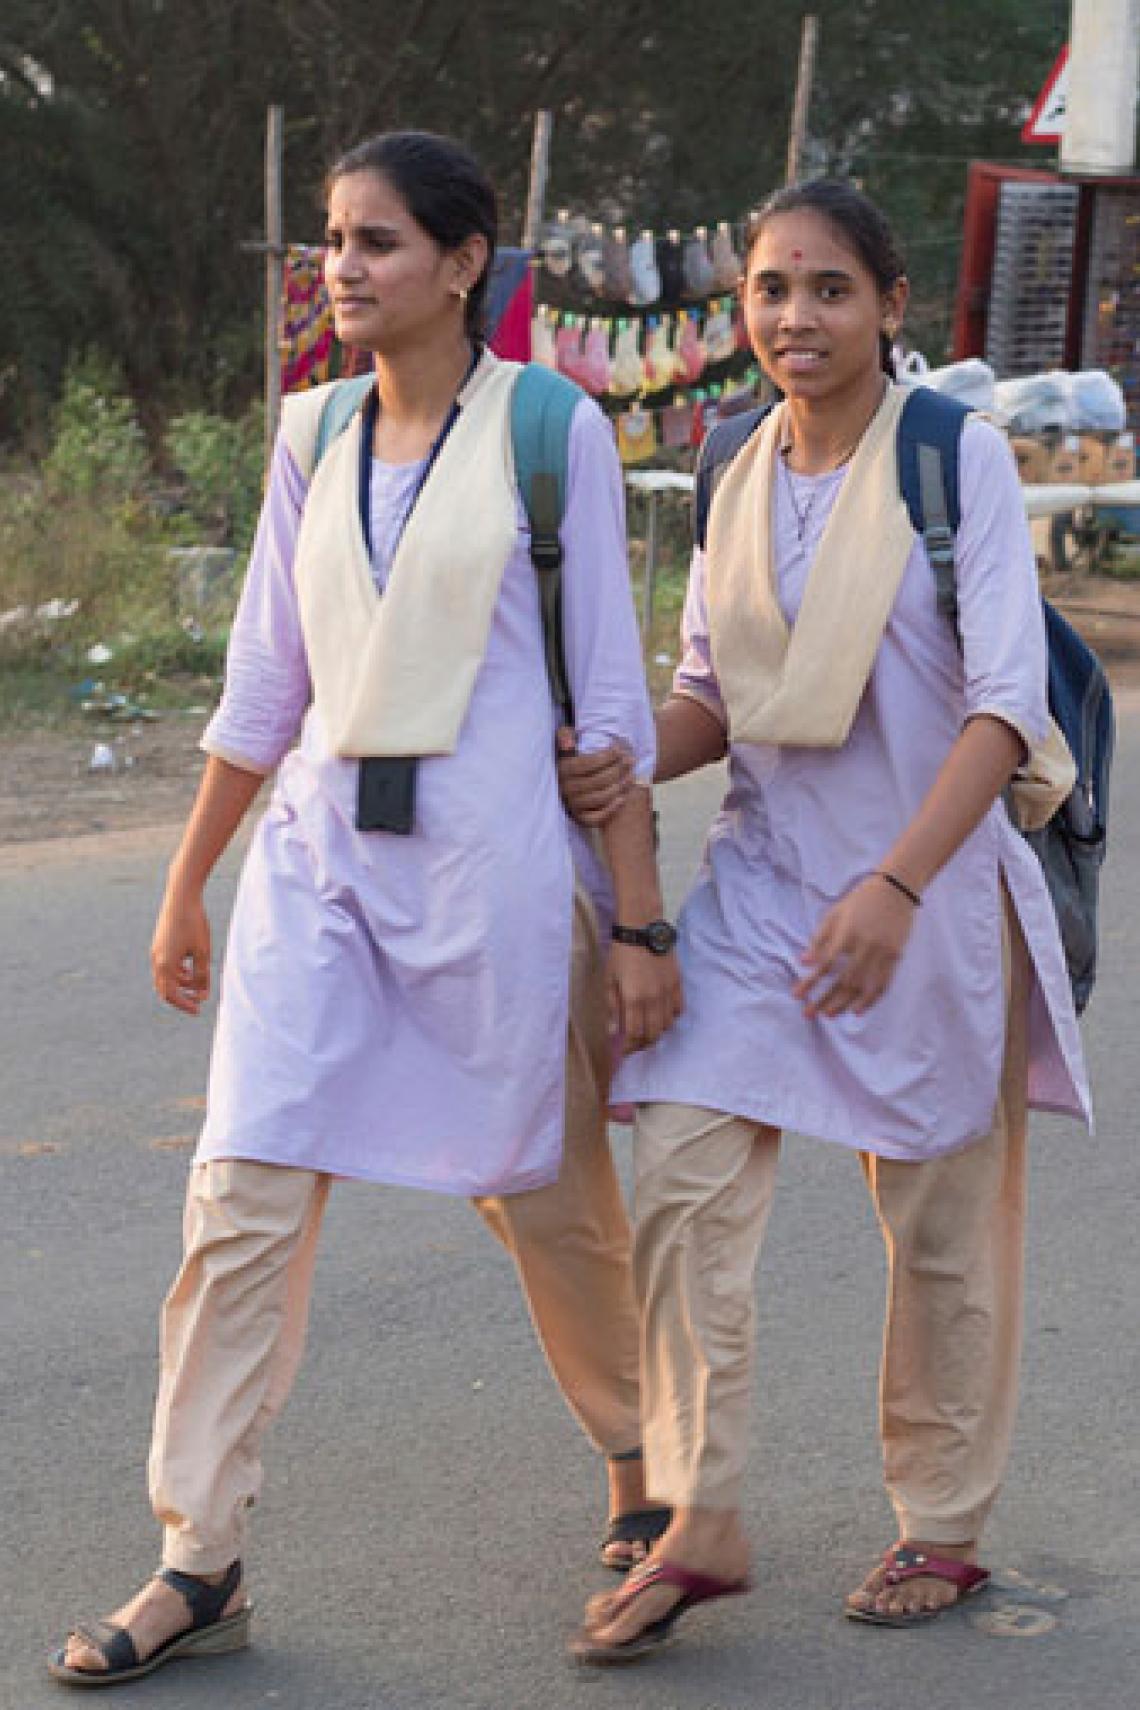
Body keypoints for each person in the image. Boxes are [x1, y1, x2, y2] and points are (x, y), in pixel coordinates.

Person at [49, 130, 681, 1688]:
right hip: (318, 878)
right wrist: (190, 877)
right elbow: (267, 673)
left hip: (495, 879)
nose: (342, 267)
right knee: (239, 1200)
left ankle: (640, 1455)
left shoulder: (551, 430)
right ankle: (199, 1556)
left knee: (537, 1192)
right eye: (332, 240)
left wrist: (639, 924)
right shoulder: (313, 429)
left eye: (379, 242)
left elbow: (606, 700)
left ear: (465, 264)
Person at [561, 179, 1092, 1664]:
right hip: (762, 890)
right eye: (771, 289)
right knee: (676, 1160)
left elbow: (1005, 704)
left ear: (892, 306)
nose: (796, 317)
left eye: (830, 289)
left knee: (939, 1230)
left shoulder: (955, 458)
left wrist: (900, 887)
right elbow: (709, 696)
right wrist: (616, 752)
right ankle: (704, 1509)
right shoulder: (732, 464)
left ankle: (941, 1521)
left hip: (925, 896)